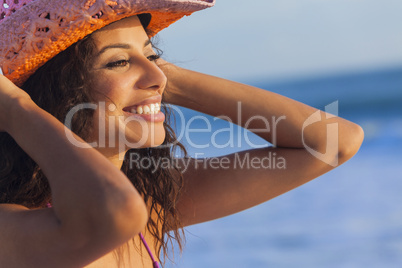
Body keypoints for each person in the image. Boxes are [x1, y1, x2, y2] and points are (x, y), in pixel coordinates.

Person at [0, 0, 364, 267]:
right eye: (118, 62)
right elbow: (112, 212)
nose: (158, 78)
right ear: (49, 91)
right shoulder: (11, 227)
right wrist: (16, 108)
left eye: (153, 55)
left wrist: (157, 74)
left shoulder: (152, 203)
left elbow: (332, 142)